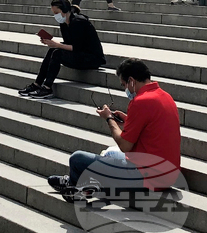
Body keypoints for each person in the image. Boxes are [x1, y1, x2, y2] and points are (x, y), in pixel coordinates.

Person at [47, 59, 181, 201]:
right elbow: (151, 128)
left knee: (77, 158)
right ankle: (90, 185)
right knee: (110, 152)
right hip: (168, 175)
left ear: (131, 81)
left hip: (146, 178)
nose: (126, 90)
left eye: (124, 85)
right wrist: (128, 120)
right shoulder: (165, 96)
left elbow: (124, 145)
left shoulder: (140, 101)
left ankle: (74, 187)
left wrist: (109, 119)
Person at [18, 0, 106, 99]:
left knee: (57, 53)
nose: (56, 16)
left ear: (64, 10)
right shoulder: (64, 23)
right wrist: (52, 43)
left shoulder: (79, 22)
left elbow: (78, 47)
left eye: (57, 12)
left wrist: (58, 45)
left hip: (92, 58)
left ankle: (47, 87)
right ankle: (37, 84)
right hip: (80, 54)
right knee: (53, 51)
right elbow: (70, 44)